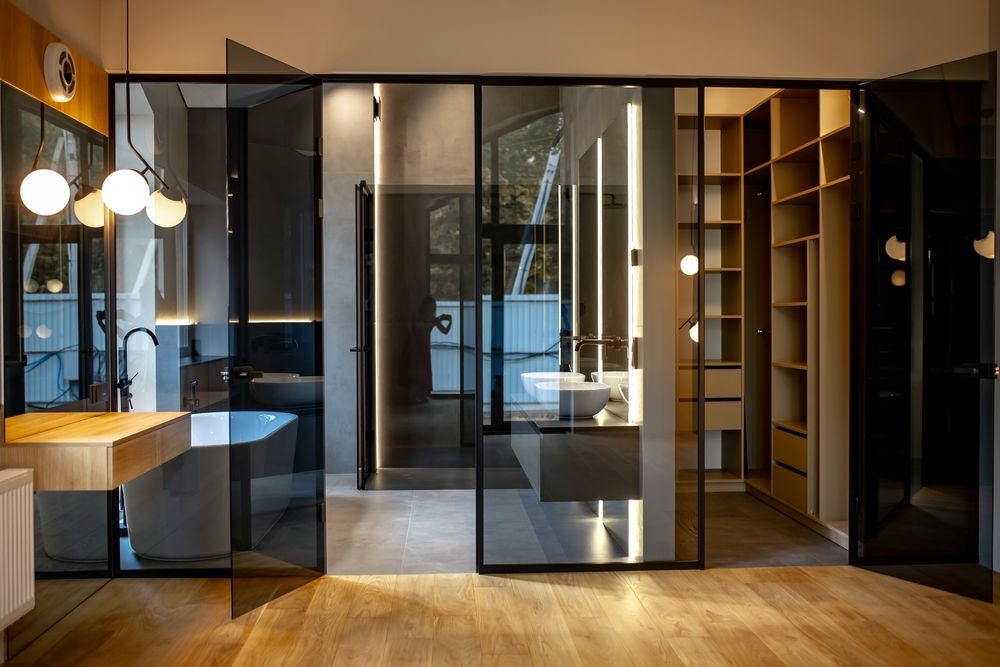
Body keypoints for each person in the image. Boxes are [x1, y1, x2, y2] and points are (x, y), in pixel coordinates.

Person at [403, 295, 452, 403]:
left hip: (424, 346)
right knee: (415, 369)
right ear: (424, 306)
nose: (430, 309)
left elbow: (445, 331)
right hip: (414, 345)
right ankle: (414, 395)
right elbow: (419, 326)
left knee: (424, 369)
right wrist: (436, 321)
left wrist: (450, 321)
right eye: (428, 306)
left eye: (432, 307)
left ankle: (421, 394)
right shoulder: (418, 316)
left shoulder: (433, 319)